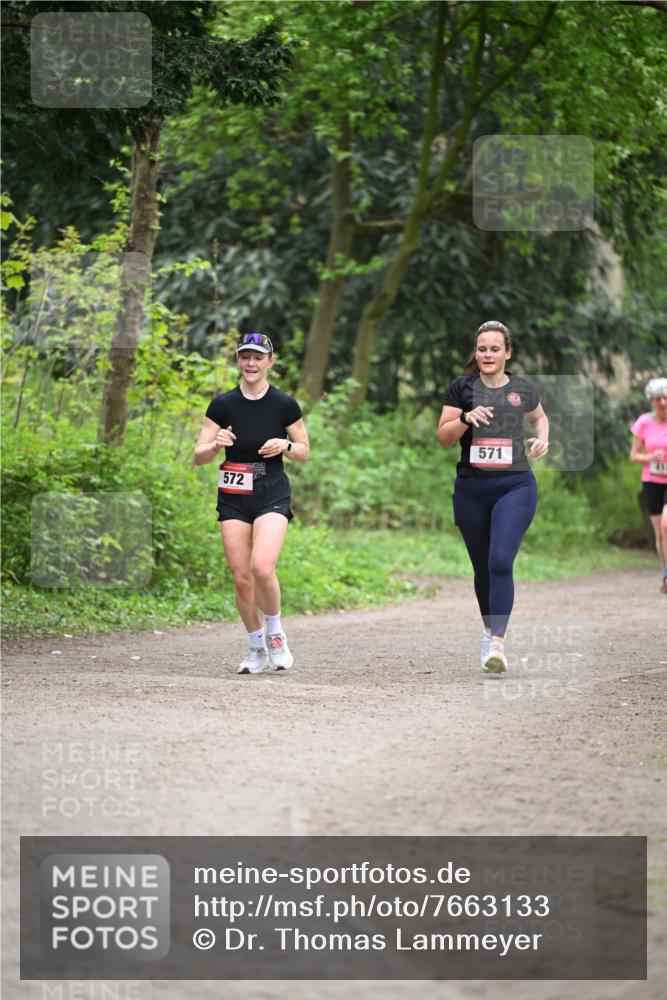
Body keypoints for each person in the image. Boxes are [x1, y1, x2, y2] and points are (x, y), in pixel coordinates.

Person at [438, 320, 549, 673]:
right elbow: (443, 437)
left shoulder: (521, 388)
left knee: (500, 560)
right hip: (471, 489)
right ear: (477, 352)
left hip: (515, 485)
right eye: (482, 349)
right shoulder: (462, 387)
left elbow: (540, 418)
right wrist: (467, 420)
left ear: (507, 353)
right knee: (482, 566)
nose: (487, 354)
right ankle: (489, 633)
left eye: (494, 349)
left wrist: (543, 438)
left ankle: (498, 643)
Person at [194, 332, 309, 673]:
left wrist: (285, 445)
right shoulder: (222, 405)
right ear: (238, 361)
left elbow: (303, 450)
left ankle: (276, 636)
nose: (251, 363)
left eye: (258, 357)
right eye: (245, 356)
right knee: (242, 576)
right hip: (233, 492)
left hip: (272, 488)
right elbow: (199, 456)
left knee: (262, 567)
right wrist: (215, 444)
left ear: (270, 362)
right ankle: (256, 647)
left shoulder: (284, 404)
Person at [630, 377, 667, 594]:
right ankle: (665, 573)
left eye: (665, 398)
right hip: (652, 482)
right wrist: (650, 457)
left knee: (666, 525)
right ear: (651, 401)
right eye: (657, 399)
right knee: (660, 533)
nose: (662, 402)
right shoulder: (644, 422)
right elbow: (633, 456)